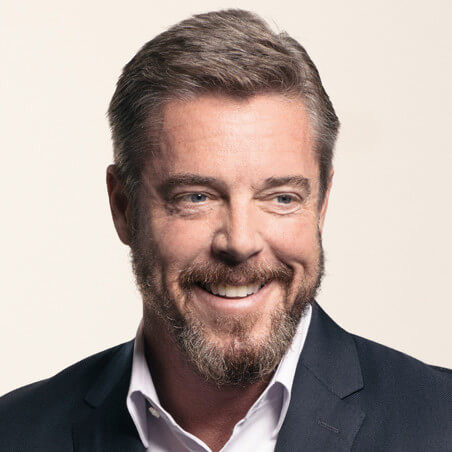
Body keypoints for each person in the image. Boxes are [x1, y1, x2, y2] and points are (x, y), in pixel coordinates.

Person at [0, 9, 450, 452]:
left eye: (281, 198)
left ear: (321, 204)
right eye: (196, 197)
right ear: (124, 208)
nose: (240, 241)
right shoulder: (15, 433)